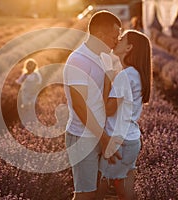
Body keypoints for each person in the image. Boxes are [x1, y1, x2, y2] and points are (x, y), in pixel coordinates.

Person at [63, 11, 123, 200]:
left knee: (99, 192)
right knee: (85, 194)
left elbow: (102, 99)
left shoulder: (103, 57)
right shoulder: (78, 61)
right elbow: (80, 107)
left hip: (99, 133)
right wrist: (104, 138)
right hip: (83, 136)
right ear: (100, 36)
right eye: (115, 36)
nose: (117, 40)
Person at [97, 30, 152, 200]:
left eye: (122, 39)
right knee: (125, 191)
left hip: (118, 140)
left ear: (129, 48)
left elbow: (109, 109)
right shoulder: (137, 74)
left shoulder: (125, 76)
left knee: (99, 189)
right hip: (132, 138)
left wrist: (107, 81)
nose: (117, 41)